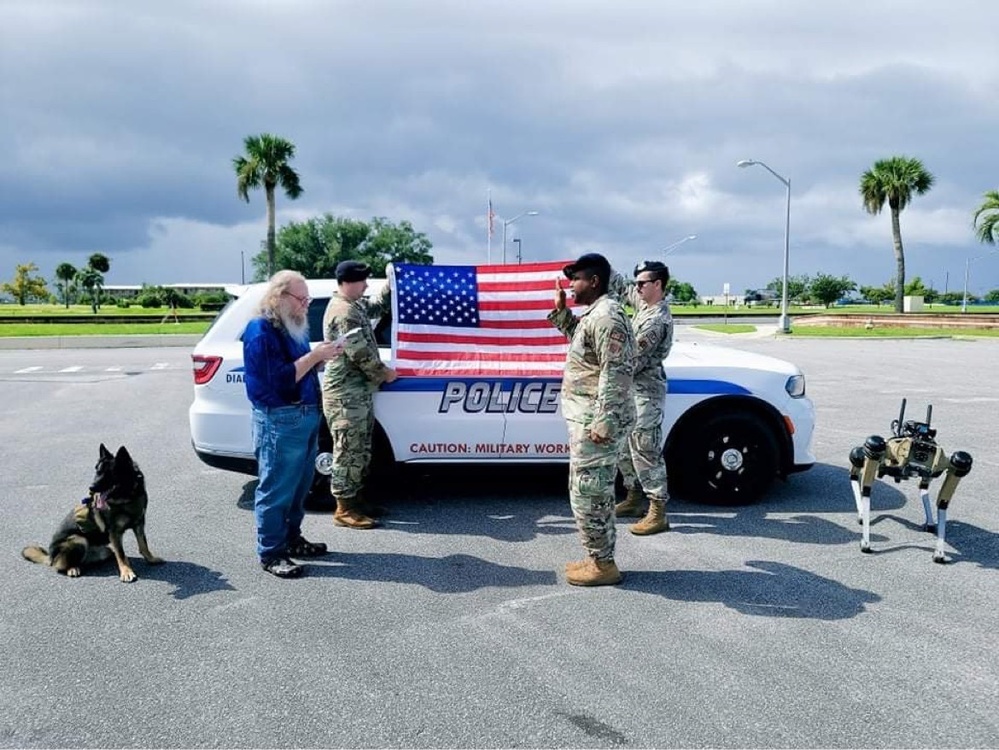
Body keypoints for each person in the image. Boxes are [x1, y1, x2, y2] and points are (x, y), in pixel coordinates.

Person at [243, 270, 342, 578]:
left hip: (302, 417)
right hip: (280, 420)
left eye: (306, 298)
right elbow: (281, 381)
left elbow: (298, 371)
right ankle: (271, 552)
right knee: (277, 490)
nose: (305, 305)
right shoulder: (260, 331)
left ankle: (292, 539)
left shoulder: (290, 327)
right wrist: (314, 357)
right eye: (301, 299)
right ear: (279, 297)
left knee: (299, 488)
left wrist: (320, 358)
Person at [548, 252, 635, 586]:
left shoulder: (608, 317)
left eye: (576, 279)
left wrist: (606, 419)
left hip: (596, 421)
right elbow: (583, 348)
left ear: (594, 281)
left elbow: (617, 371)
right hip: (587, 419)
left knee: (591, 492)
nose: (571, 285)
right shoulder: (594, 314)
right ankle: (596, 555)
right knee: (587, 490)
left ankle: (603, 564)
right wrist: (562, 314)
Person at [321, 260, 399, 529]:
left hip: (357, 393)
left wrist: (391, 284)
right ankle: (344, 508)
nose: (366, 285)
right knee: (347, 450)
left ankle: (356, 500)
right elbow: (359, 353)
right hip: (345, 394)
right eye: (363, 280)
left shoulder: (355, 306)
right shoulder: (344, 312)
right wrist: (383, 373)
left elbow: (377, 306)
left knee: (361, 449)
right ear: (349, 282)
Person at [611, 260, 675, 535]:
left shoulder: (656, 320)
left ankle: (657, 510)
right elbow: (623, 289)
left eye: (641, 283)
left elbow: (633, 360)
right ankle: (634, 497)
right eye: (636, 283)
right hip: (631, 392)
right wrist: (600, 268)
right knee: (625, 448)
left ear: (658, 284)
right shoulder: (644, 307)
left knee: (645, 450)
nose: (635, 288)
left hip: (645, 394)